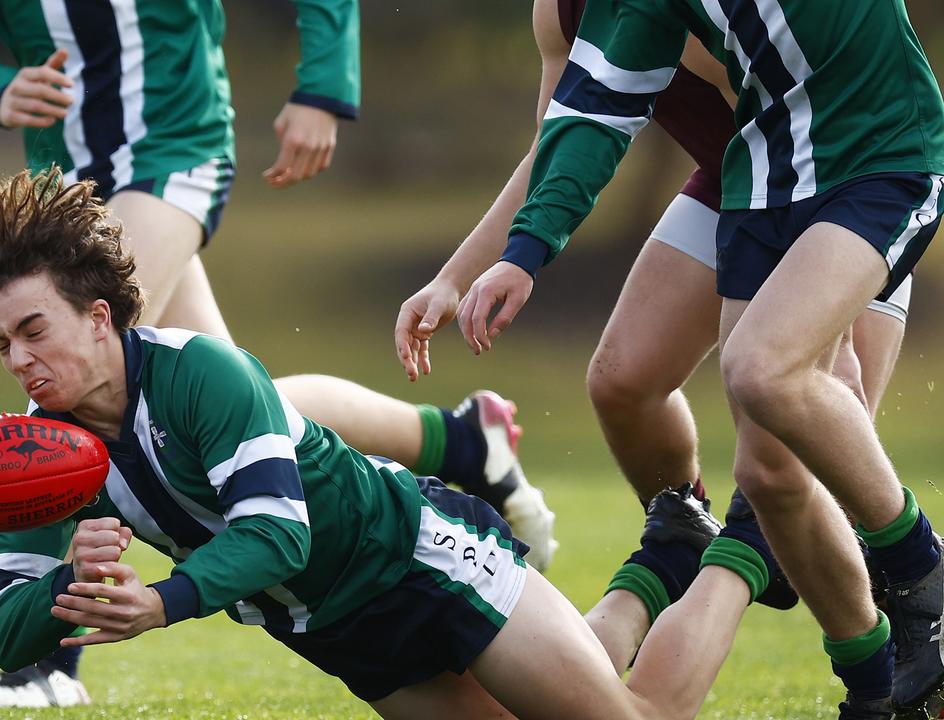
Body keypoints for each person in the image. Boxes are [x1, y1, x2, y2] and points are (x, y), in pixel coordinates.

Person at [0, 168, 800, 720]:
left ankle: (747, 543)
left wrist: (163, 602)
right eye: (2, 345)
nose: (19, 360)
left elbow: (277, 533)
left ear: (99, 317)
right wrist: (69, 579)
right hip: (335, 633)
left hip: (416, 561)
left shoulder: (197, 374)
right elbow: (5, 627)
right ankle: (666, 553)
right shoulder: (47, 455)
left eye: (34, 330)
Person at [0, 0, 554, 704]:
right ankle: (462, 440)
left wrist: (323, 87)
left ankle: (50, 660)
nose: (12, 352)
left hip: (172, 148)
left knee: (84, 393)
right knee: (225, 412)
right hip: (68, 176)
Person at [402, 0, 944, 715]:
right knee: (623, 381)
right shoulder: (564, 13)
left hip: (854, 169)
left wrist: (829, 340)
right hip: (753, 180)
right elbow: (571, 127)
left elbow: (821, 83)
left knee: (773, 470)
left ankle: (897, 635)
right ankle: (685, 538)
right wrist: (479, 266)